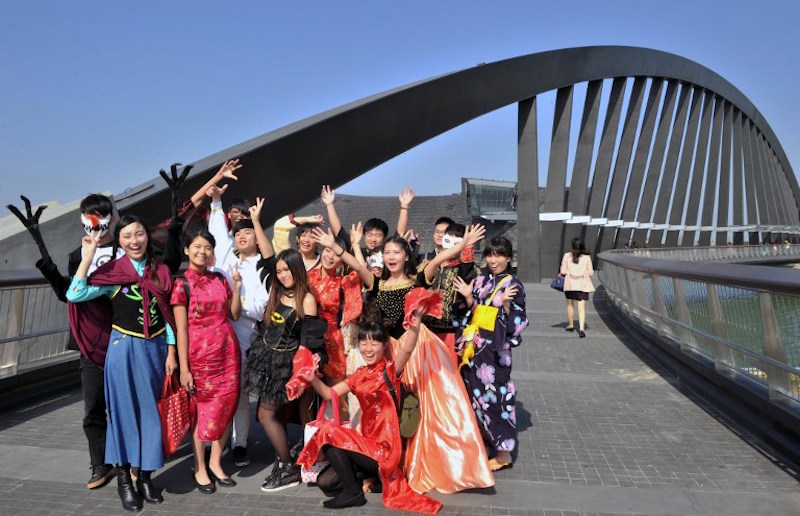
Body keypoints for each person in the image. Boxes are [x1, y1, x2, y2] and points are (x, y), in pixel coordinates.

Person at [312, 225, 494, 494]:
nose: (391, 256)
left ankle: (425, 461)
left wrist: (464, 244)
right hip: (389, 351)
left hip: (418, 348)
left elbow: (439, 259)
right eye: (387, 252)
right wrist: (337, 246)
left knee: (427, 407)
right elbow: (354, 262)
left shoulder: (419, 276)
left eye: (397, 251)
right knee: (388, 408)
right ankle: (386, 464)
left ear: (406, 256)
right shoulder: (376, 283)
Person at [66, 215, 178, 512]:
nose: (135, 240)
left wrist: (172, 351)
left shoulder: (161, 271)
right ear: (120, 241)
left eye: (139, 233)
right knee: (124, 415)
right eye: (127, 236)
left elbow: (167, 315)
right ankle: (124, 482)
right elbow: (74, 293)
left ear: (147, 236)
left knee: (152, 415)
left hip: (155, 352)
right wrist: (88, 255)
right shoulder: (111, 272)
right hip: (123, 351)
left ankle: (144, 476)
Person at [296, 313, 442, 513]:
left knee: (329, 431)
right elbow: (329, 394)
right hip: (367, 447)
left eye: (374, 343)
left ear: (384, 346)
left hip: (386, 451)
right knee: (326, 483)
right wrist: (310, 375)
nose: (368, 349)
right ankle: (371, 482)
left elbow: (407, 349)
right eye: (363, 343)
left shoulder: (390, 370)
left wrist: (415, 328)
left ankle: (353, 493)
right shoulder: (358, 375)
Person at [243, 248, 327, 492]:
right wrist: (257, 221)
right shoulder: (277, 290)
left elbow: (308, 341)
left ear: (297, 268)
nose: (282, 274)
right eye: (279, 271)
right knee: (273, 413)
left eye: (286, 269)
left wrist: (300, 373)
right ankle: (284, 461)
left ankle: (288, 467)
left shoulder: (307, 299)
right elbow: (269, 260)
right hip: (267, 357)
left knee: (264, 415)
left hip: (286, 364)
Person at [172, 228, 243, 494]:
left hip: (227, 352)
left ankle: (216, 462)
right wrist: (184, 369)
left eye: (207, 248)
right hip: (200, 358)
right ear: (187, 250)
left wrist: (236, 288)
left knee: (227, 407)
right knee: (201, 412)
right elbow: (181, 330)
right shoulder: (182, 284)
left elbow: (234, 315)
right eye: (197, 247)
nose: (203, 252)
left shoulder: (219, 279)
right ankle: (200, 466)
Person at [453, 237, 529, 472]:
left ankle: (504, 452)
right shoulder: (481, 280)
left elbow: (517, 322)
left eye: (499, 255)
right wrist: (468, 296)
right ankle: (486, 443)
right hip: (476, 350)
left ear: (508, 258)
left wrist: (505, 305)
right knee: (477, 398)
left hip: (495, 353)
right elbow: (474, 312)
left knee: (497, 398)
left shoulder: (512, 284)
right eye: (490, 255)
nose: (494, 260)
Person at [560, 237, 595, 338]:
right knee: (582, 308)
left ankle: (571, 325)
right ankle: (581, 329)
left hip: (570, 284)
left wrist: (570, 273)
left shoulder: (567, 256)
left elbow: (562, 271)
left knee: (570, 305)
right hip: (582, 285)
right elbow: (591, 272)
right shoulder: (587, 258)